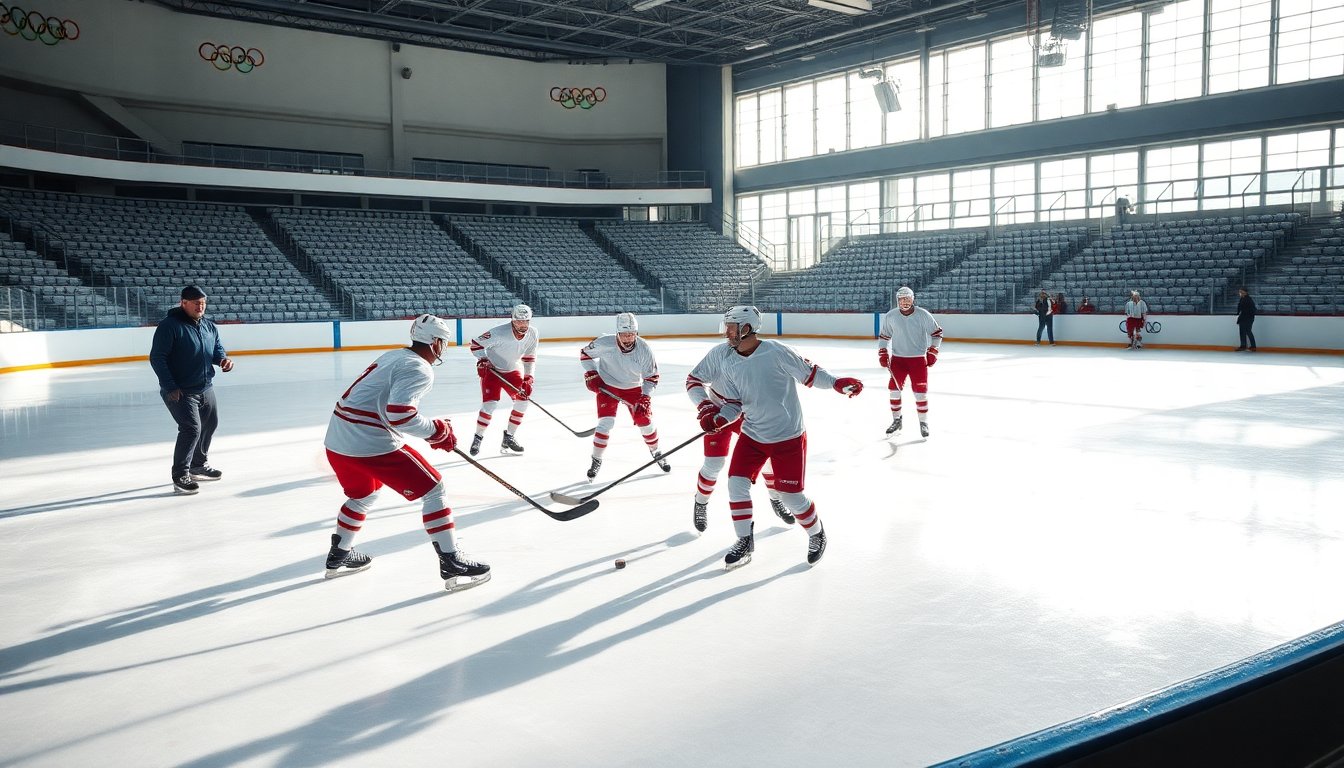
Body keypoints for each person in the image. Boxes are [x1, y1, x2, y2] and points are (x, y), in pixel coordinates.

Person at [686, 305, 863, 570]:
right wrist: (718, 418)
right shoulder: (729, 359)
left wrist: (837, 383)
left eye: (732, 328)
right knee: (735, 483)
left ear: (746, 328)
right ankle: (744, 541)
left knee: (792, 497)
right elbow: (735, 403)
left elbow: (811, 375)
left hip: (787, 437)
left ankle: (816, 533)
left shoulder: (777, 351)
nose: (727, 334)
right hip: (753, 435)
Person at [322, 314, 490, 592]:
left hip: (337, 441)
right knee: (434, 489)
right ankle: (452, 562)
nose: (443, 347)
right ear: (435, 342)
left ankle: (339, 555)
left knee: (363, 495)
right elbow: (400, 415)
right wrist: (437, 431)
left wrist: (435, 432)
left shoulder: (395, 355)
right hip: (369, 443)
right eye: (443, 342)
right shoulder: (419, 368)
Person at [684, 331, 795, 536]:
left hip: (749, 416)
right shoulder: (719, 354)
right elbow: (693, 381)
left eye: (735, 329)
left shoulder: (765, 354)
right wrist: (706, 407)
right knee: (714, 464)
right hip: (719, 414)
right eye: (729, 329)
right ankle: (700, 501)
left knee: (768, 461)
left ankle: (775, 498)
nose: (730, 334)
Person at [149, 285, 234, 495]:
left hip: (205, 387)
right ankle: (180, 475)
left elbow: (216, 349)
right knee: (191, 429)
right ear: (183, 303)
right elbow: (157, 358)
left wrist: (222, 359)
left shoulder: (209, 326)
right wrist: (170, 386)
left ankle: (198, 465)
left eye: (203, 303)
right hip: (180, 390)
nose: (200, 307)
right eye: (196, 303)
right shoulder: (169, 326)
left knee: (210, 424)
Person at [579, 312, 668, 481]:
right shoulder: (604, 342)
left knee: (646, 423)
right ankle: (596, 460)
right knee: (605, 423)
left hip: (633, 389)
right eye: (624, 335)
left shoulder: (644, 349)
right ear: (617, 333)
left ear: (636, 333)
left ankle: (656, 452)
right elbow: (585, 354)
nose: (628, 339)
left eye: (632, 334)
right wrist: (592, 373)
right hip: (607, 386)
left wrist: (645, 397)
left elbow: (651, 377)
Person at [468, 304, 538, 455]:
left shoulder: (533, 334)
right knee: (489, 406)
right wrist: (483, 359)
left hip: (512, 371)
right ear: (512, 320)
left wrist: (529, 377)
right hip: (492, 372)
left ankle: (509, 436)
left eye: (526, 321)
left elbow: (529, 357)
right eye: (519, 321)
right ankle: (478, 437)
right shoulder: (499, 332)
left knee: (523, 401)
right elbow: (475, 344)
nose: (523, 325)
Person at [879, 286, 944, 437]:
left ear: (913, 299)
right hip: (898, 360)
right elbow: (884, 337)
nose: (905, 302)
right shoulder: (891, 316)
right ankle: (897, 420)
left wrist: (933, 350)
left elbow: (937, 333)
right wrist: (882, 352)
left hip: (918, 361)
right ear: (897, 300)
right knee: (894, 391)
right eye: (902, 299)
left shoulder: (923, 315)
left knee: (920, 393)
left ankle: (923, 422)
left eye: (907, 298)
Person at [1235, 287, 1257, 352]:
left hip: (1247, 318)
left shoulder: (1248, 299)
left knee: (1247, 331)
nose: (1240, 293)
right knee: (1243, 332)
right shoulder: (1242, 299)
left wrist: (1244, 315)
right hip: (1244, 318)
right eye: (1240, 292)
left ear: (1245, 292)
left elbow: (1253, 309)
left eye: (1241, 292)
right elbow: (1240, 307)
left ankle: (1250, 346)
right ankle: (1245, 346)